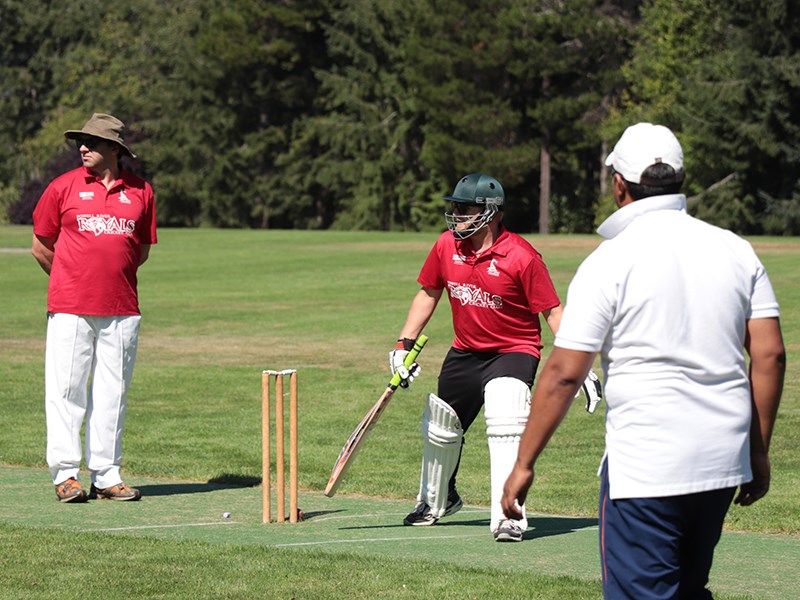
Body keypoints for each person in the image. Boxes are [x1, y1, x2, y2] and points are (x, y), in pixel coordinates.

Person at [502, 123, 785, 596]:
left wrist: (523, 463)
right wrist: (757, 451)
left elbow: (564, 373)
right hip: (721, 457)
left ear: (619, 185)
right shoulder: (736, 249)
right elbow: (770, 354)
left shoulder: (609, 261)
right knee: (690, 588)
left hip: (646, 465)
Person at [390, 172, 601, 542]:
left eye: (465, 208)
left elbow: (552, 312)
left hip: (514, 350)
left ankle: (509, 516)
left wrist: (578, 362)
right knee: (441, 426)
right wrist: (403, 344)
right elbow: (428, 293)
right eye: (454, 208)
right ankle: (438, 501)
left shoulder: (521, 256)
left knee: (506, 412)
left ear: (491, 212)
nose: (456, 215)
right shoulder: (446, 246)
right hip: (465, 351)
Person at [31, 113, 157, 503]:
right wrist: (74, 278)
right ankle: (66, 475)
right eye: (80, 142)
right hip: (70, 307)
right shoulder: (62, 187)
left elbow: (141, 251)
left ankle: (106, 475)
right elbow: (40, 246)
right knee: (66, 390)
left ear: (115, 150)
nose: (83, 148)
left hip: (121, 308)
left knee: (112, 393)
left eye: (93, 142)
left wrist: (108, 278)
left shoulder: (141, 192)